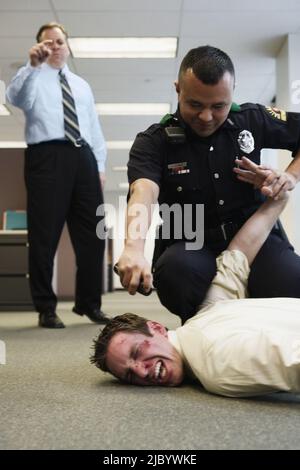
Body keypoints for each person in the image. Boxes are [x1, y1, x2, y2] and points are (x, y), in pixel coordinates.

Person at [116, 45, 300, 324]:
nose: (206, 117)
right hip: (192, 241)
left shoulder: (252, 119)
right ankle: (205, 331)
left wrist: (290, 176)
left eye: (218, 106)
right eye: (195, 104)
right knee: (176, 275)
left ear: (232, 92)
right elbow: (143, 192)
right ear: (178, 89)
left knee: (290, 283)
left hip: (255, 238)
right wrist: (133, 247)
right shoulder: (154, 141)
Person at [91, 158, 300, 398]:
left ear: (157, 328)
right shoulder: (208, 314)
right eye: (129, 375)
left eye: (136, 352)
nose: (140, 371)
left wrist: (279, 195)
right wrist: (278, 201)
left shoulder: (217, 364)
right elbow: (237, 256)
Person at [6, 22, 108, 328]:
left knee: (94, 235)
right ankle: (46, 308)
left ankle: (90, 304)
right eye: (48, 43)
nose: (55, 46)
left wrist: (99, 166)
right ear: (40, 47)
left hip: (84, 158)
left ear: (67, 45)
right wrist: (31, 65)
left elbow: (93, 127)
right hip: (46, 157)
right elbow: (16, 98)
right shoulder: (33, 77)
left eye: (60, 41)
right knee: (44, 236)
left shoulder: (81, 84)